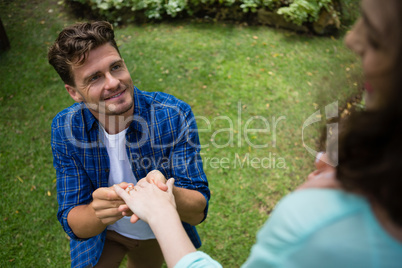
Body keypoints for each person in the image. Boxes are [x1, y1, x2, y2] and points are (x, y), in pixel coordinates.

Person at [114, 0, 402, 267]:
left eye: (375, 34)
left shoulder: (317, 223)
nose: (351, 39)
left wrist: (162, 212)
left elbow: (199, 206)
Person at [48, 21, 210, 268]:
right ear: (74, 92)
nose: (113, 82)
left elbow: (198, 211)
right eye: (94, 78)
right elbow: (73, 223)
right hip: (103, 235)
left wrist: (164, 193)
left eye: (116, 67)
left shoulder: (174, 114)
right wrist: (97, 212)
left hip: (154, 234)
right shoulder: (65, 128)